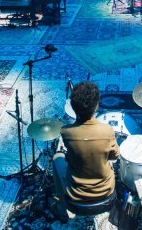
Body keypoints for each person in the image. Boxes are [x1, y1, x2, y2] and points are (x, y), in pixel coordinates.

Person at [52, 81, 119, 222]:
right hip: (105, 192)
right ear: (97, 106)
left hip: (76, 195)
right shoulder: (107, 130)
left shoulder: (66, 132)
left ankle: (62, 207)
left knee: (57, 157)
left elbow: (69, 156)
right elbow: (115, 156)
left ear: (72, 107)